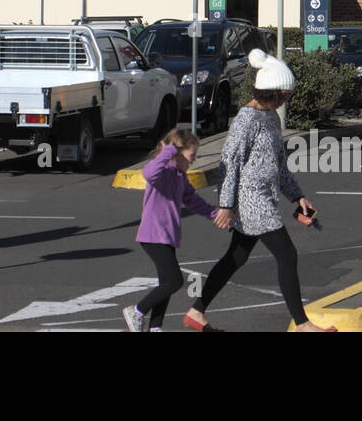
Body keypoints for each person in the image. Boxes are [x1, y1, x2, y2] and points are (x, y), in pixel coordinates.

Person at [184, 49, 336, 332]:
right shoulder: (247, 118)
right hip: (250, 201)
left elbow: (279, 164)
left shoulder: (271, 119)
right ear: (275, 93)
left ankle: (196, 310)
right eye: (286, 93)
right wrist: (226, 205)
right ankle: (303, 325)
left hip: (264, 197)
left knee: (236, 257)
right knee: (287, 255)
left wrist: (297, 196)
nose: (287, 98)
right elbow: (229, 161)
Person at [123, 128, 229, 332]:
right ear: (176, 154)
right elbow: (148, 172)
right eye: (191, 155)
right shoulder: (163, 171)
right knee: (174, 280)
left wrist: (216, 215)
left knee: (166, 283)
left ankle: (156, 327)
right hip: (153, 235)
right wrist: (167, 151)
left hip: (167, 236)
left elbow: (192, 200)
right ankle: (137, 310)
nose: (194, 160)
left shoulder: (179, 175)